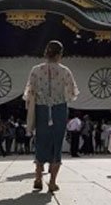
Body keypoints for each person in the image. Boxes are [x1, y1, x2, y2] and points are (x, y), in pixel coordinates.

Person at [23, 40, 79, 192]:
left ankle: (38, 178)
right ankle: (52, 182)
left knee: (40, 141)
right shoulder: (65, 71)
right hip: (58, 109)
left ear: (46, 52)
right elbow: (72, 94)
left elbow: (29, 93)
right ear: (60, 54)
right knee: (56, 144)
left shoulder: (36, 70)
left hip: (41, 109)